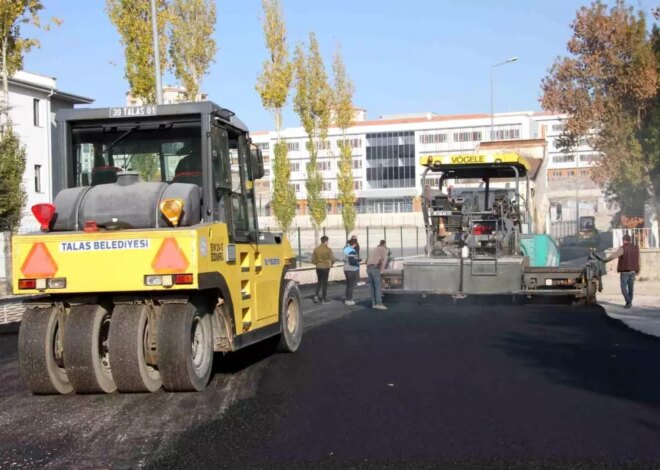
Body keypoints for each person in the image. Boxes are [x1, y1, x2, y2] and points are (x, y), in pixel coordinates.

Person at [595, 234, 639, 308]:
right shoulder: (636, 248)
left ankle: (628, 302)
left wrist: (605, 260)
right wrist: (637, 269)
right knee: (631, 287)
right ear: (630, 240)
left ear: (624, 240)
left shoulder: (622, 248)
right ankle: (629, 302)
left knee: (623, 287)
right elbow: (638, 259)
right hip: (633, 270)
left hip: (625, 270)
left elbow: (613, 256)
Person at [311, 236, 335, 304]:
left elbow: (312, 260)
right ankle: (324, 298)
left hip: (318, 267)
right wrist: (331, 264)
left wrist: (317, 263)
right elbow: (333, 259)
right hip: (326, 267)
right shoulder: (328, 249)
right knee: (325, 283)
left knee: (319, 282)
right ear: (326, 241)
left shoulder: (316, 249)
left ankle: (316, 296)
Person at [366, 240, 389, 310]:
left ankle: (374, 303)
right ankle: (379, 303)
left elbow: (367, 260)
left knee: (373, 286)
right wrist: (382, 269)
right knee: (378, 286)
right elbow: (385, 260)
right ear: (384, 244)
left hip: (368, 267)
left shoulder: (375, 249)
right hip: (375, 268)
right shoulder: (384, 249)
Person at [343, 238, 360, 306]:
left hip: (346, 268)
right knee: (351, 286)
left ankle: (348, 298)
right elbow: (352, 261)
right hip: (352, 269)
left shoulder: (345, 249)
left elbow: (346, 259)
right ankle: (349, 299)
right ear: (355, 244)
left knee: (348, 285)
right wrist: (358, 261)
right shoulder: (352, 251)